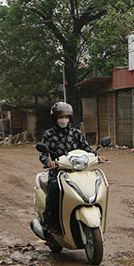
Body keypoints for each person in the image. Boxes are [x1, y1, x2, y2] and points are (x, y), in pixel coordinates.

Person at [39, 101, 103, 235]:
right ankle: (51, 224)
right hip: (58, 172)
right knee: (55, 189)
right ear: (55, 118)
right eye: (61, 117)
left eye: (66, 117)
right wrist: (49, 161)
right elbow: (43, 154)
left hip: (77, 171)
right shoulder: (49, 134)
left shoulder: (76, 133)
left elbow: (87, 149)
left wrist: (98, 157)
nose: (64, 119)